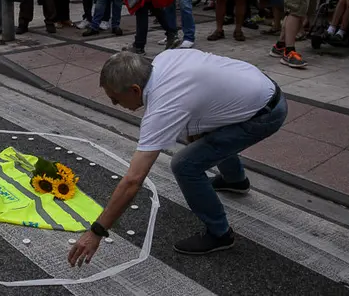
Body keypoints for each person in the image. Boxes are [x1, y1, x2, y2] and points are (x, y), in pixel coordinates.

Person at [67, 49, 287, 267]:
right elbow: (200, 95)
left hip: (263, 114)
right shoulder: (164, 59)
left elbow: (133, 180)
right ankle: (235, 180)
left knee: (185, 165)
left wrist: (96, 231)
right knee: (205, 139)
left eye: (115, 99)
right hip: (261, 88)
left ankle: (220, 234)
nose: (115, 105)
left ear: (135, 89)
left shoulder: (163, 106)